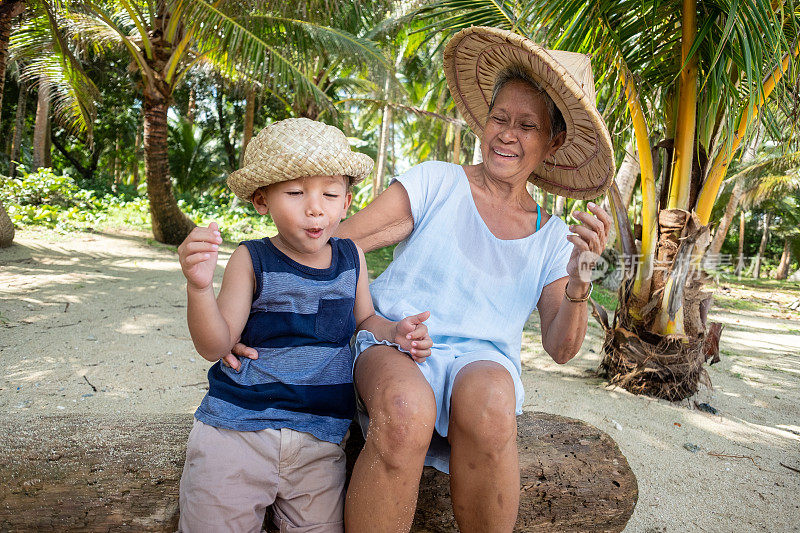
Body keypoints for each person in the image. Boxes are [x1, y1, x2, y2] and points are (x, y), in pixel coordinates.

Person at [230, 26, 615, 532]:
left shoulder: (552, 237)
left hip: (483, 361)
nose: (507, 133)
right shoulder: (438, 181)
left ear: (554, 140)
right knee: (405, 409)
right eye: (499, 118)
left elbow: (561, 348)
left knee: (493, 403)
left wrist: (582, 277)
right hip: (393, 340)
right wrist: (247, 311)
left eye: (527, 125)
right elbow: (337, 242)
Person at [176, 117, 432, 533]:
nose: (316, 207)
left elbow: (363, 319)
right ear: (262, 201)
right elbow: (215, 343)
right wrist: (199, 289)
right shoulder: (252, 258)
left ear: (347, 201)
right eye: (295, 192)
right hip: (238, 431)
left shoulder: (352, 259)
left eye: (330, 194)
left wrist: (394, 332)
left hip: (320, 440)